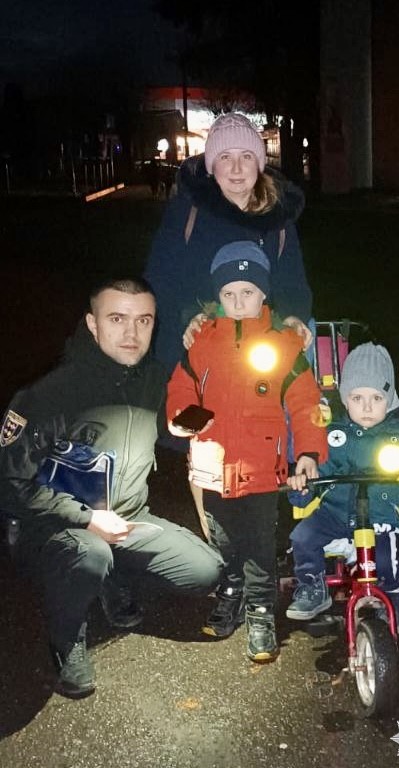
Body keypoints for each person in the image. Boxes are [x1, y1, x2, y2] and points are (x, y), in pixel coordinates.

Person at [0, 278, 223, 699]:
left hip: (127, 518)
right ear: (92, 323)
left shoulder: (155, 380)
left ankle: (111, 576)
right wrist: (86, 519)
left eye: (144, 320)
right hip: (52, 527)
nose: (131, 333)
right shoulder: (48, 394)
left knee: (204, 570)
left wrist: (191, 419)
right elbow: (10, 485)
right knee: (89, 554)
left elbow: (174, 427)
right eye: (117, 319)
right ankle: (68, 638)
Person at [166, 241, 328, 663]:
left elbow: (306, 403)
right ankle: (232, 590)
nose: (239, 303)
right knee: (220, 537)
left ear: (263, 293)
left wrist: (308, 452)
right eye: (229, 293)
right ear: (217, 296)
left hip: (260, 468)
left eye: (248, 292)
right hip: (212, 465)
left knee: (258, 544)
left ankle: (260, 611)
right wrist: (182, 416)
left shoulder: (283, 344)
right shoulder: (202, 341)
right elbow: (182, 387)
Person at [285, 343, 399, 633]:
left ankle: (392, 596)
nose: (367, 407)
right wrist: (303, 485)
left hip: (380, 515)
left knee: (385, 558)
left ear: (389, 400)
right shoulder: (333, 435)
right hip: (336, 513)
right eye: (357, 398)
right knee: (302, 537)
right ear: (346, 399)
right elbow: (318, 470)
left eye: (376, 398)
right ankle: (312, 586)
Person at [145, 112, 313, 373]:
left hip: (259, 351)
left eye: (246, 156)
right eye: (225, 157)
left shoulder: (277, 218)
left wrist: (293, 315)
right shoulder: (187, 213)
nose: (236, 168)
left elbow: (292, 281)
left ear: (258, 163)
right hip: (194, 346)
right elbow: (160, 279)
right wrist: (188, 318)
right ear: (212, 165)